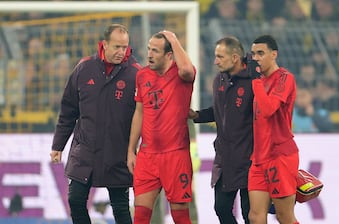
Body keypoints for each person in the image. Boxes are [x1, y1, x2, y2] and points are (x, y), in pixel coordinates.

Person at [50, 24, 141, 224]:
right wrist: (58, 145)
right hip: (85, 150)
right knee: (75, 200)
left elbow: (144, 116)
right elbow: (68, 111)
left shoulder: (136, 74)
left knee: (120, 208)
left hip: (118, 151)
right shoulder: (84, 68)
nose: (121, 52)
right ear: (104, 44)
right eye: (117, 46)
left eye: (124, 47)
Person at [127, 30, 196, 224]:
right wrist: (131, 150)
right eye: (149, 49)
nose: (149, 54)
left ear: (169, 55)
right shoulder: (142, 76)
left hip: (176, 155)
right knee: (140, 216)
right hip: (147, 156)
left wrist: (174, 39)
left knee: (181, 217)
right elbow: (139, 113)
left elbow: (188, 71)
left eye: (155, 51)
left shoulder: (181, 74)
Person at [189, 36, 253, 224]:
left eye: (220, 57)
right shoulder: (219, 80)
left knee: (250, 213)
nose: (215, 61)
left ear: (235, 58)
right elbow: (220, 111)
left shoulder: (254, 81)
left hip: (250, 158)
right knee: (221, 208)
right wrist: (197, 115)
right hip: (226, 158)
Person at [248, 34, 300, 224]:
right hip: (259, 158)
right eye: (253, 54)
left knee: (284, 216)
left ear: (274, 54)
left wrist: (256, 82)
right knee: (255, 216)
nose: (256, 58)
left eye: (260, 53)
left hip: (280, 156)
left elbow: (269, 109)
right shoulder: (259, 81)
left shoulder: (285, 78)